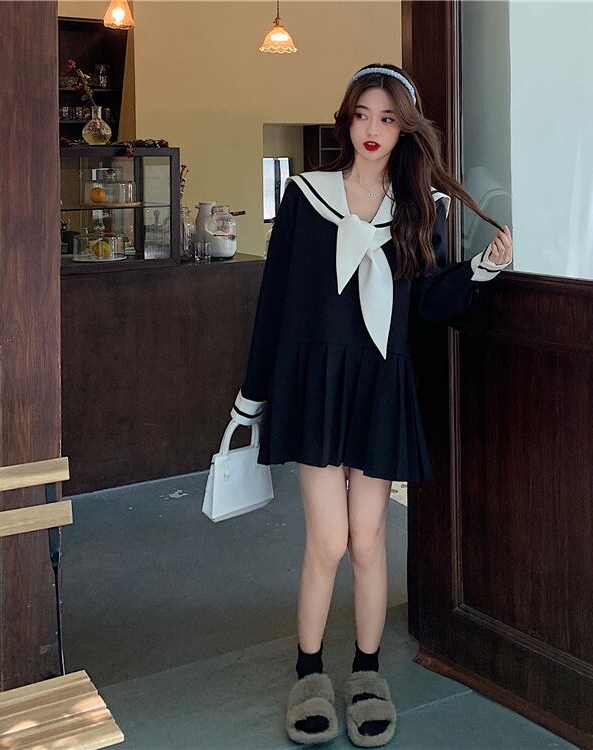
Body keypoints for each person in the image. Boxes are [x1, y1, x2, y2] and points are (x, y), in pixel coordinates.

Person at [231, 63, 513, 747]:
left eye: (387, 118)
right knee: (327, 540)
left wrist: (481, 270)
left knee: (368, 539)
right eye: (363, 114)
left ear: (404, 129)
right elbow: (273, 303)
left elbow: (428, 303)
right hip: (317, 387)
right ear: (347, 119)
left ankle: (365, 672)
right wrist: (250, 399)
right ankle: (308, 672)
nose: (373, 129)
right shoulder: (306, 197)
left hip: (381, 387)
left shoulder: (417, 210)